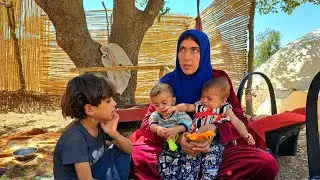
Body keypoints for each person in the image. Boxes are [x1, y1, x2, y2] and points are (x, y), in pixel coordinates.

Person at [129, 29, 280, 180]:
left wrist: (215, 131)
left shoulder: (218, 79)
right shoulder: (167, 83)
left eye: (195, 50)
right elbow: (146, 124)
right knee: (134, 155)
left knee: (265, 163)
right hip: (174, 147)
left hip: (215, 149)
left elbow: (239, 117)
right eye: (182, 49)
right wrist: (179, 138)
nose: (187, 57)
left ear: (205, 52)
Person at [168, 77, 255, 179]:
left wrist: (246, 135)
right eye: (202, 96)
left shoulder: (224, 108)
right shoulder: (200, 106)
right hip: (196, 138)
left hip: (215, 142)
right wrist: (177, 107)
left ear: (223, 100)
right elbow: (187, 106)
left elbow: (236, 122)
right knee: (189, 161)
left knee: (211, 163)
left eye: (209, 98)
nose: (204, 100)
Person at [53, 73, 132, 180]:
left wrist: (114, 133)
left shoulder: (99, 124)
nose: (115, 103)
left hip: (96, 170)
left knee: (121, 151)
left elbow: (129, 150)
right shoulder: (75, 140)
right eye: (108, 101)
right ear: (90, 110)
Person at [148, 83, 192, 178]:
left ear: (173, 101)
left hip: (181, 146)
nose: (161, 107)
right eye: (156, 105)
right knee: (163, 163)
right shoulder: (155, 115)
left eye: (164, 103)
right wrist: (158, 129)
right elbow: (151, 124)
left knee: (179, 163)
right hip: (166, 146)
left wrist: (176, 129)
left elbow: (188, 123)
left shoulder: (178, 113)